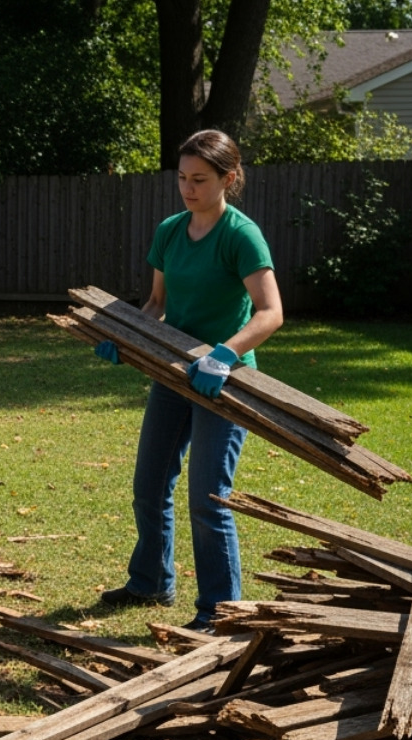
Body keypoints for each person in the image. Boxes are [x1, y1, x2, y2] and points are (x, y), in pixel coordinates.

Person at [94, 129, 283, 633]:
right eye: (182, 178)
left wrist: (225, 355)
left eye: (200, 179)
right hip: (175, 372)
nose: (188, 188)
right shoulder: (171, 231)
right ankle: (151, 580)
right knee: (149, 483)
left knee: (208, 496)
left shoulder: (241, 235)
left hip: (225, 380)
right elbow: (156, 305)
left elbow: (270, 313)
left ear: (229, 178)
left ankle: (220, 609)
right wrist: (129, 336)